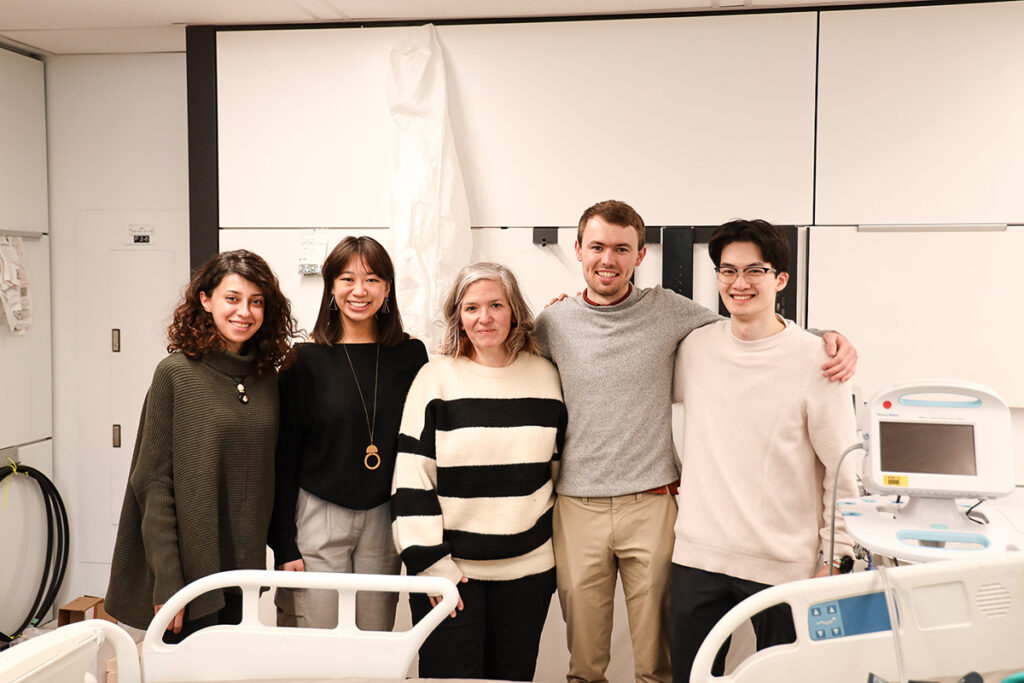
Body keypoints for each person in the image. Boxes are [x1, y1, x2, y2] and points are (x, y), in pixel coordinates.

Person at [533, 200, 857, 683]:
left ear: (641, 255)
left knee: (670, 668)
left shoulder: (679, 318)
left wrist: (829, 338)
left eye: (621, 248)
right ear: (578, 250)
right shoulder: (557, 325)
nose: (608, 259)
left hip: (705, 526)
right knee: (617, 667)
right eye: (597, 246)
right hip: (631, 527)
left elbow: (753, 329)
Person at [669, 219, 859, 681]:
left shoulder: (819, 360)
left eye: (755, 271)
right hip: (697, 557)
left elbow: (843, 469)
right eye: (727, 271)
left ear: (780, 279)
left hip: (784, 566)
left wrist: (836, 558)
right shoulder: (694, 348)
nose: (739, 283)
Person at [105, 249, 297, 640]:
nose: (244, 312)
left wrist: (284, 547)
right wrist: (167, 580)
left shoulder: (267, 380)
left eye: (256, 302)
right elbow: (152, 483)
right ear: (206, 301)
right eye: (233, 298)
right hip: (187, 570)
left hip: (241, 567)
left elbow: (272, 473)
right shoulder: (176, 374)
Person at [392, 262, 567, 681]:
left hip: (529, 572)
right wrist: (434, 567)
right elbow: (412, 477)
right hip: (449, 572)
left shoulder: (546, 376)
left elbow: (559, 471)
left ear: (515, 312)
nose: (484, 318)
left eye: (495, 305)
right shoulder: (434, 379)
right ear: (458, 316)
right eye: (471, 308)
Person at [268, 236, 428, 631]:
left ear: (388, 288)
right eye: (347, 279)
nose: (360, 291)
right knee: (316, 644)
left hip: (384, 516)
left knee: (375, 644)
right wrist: (283, 542)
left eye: (372, 279)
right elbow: (284, 456)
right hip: (318, 514)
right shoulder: (302, 360)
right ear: (331, 287)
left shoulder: (411, 355)